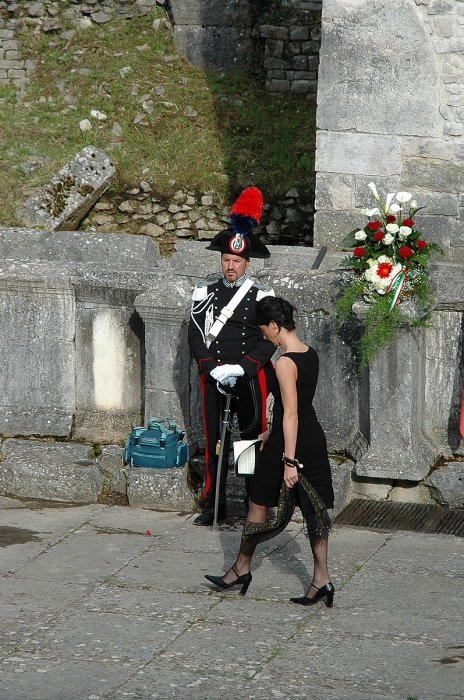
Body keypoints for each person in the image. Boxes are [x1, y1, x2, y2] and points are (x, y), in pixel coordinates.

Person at [205, 296, 335, 606]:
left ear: (275, 325)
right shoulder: (309, 354)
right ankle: (322, 579)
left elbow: (290, 413)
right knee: (314, 510)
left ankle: (241, 568)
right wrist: (268, 431)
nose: (264, 336)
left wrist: (289, 460)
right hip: (311, 436)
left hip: (290, 442)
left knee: (257, 503)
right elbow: (300, 406)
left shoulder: (286, 363)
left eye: (265, 329)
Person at [188, 187, 275, 526]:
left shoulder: (261, 294)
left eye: (236, 261)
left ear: (246, 262)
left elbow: (270, 339)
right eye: (226, 260)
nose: (230, 266)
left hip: (248, 377)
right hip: (214, 377)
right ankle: (215, 502)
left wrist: (242, 366)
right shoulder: (204, 291)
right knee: (215, 443)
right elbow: (195, 332)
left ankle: (254, 504)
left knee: (249, 442)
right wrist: (211, 369)